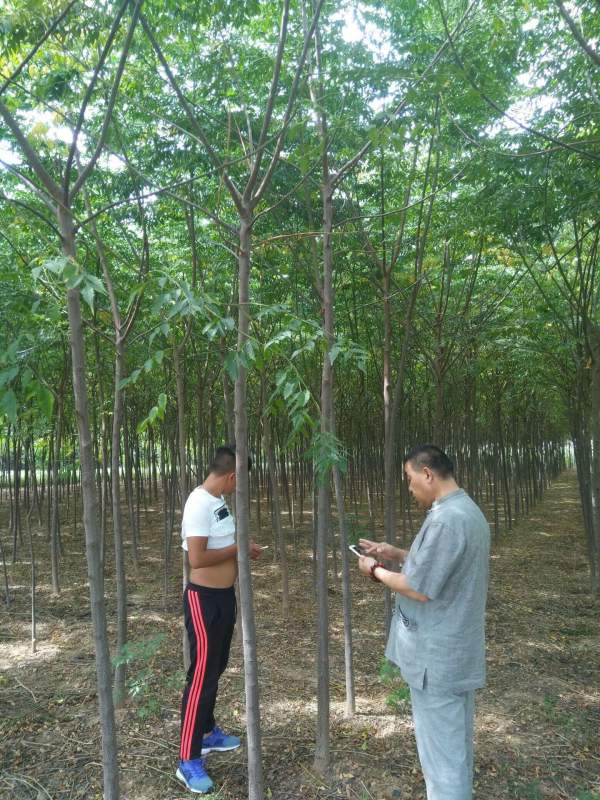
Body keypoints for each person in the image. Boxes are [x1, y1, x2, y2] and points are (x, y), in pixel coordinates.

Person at [358, 444, 490, 800]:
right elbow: (440, 565)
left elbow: (417, 587)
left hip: (437, 659)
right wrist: (397, 553)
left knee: (443, 765)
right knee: (455, 752)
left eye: (410, 478)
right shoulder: (466, 511)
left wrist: (375, 570)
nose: (409, 486)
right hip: (456, 651)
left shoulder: (447, 519)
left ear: (428, 474)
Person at [177, 445, 263, 794]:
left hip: (224, 598)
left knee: (216, 667)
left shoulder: (217, 501)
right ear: (231, 476)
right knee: (201, 677)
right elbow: (197, 559)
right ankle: (188, 759)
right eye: (238, 481)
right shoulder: (198, 503)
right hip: (204, 601)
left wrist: (240, 547)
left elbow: (222, 541)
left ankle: (208, 731)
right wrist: (240, 547)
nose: (237, 487)